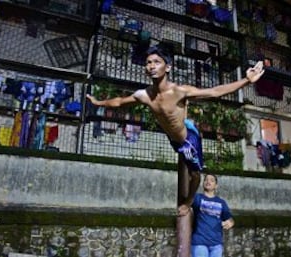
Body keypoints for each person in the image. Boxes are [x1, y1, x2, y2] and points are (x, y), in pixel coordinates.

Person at [86, 45, 264, 216]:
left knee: (195, 175)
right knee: (181, 137)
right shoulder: (144, 95)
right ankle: (188, 122)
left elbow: (214, 92)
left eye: (156, 61)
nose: (151, 66)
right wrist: (98, 102)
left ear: (168, 67)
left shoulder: (179, 91)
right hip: (174, 137)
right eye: (148, 62)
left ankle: (188, 203)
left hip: (187, 141)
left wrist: (247, 80)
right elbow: (119, 102)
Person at [191, 174, 234, 257]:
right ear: (203, 183)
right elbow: (186, 201)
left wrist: (231, 222)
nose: (208, 181)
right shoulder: (197, 198)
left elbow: (229, 219)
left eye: (211, 180)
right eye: (206, 179)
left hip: (216, 244)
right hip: (200, 243)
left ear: (216, 186)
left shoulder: (221, 202)